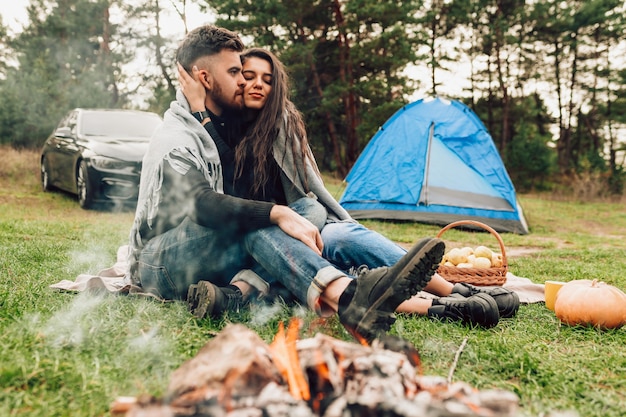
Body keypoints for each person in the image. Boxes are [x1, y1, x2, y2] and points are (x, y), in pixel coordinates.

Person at [128, 25, 518, 342]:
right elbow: (202, 204)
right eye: (236, 73)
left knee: (328, 229)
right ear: (203, 77)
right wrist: (277, 212)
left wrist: (288, 214)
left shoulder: (227, 123)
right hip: (159, 261)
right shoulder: (174, 138)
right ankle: (350, 297)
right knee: (265, 224)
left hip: (217, 252)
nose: (245, 82)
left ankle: (448, 300)